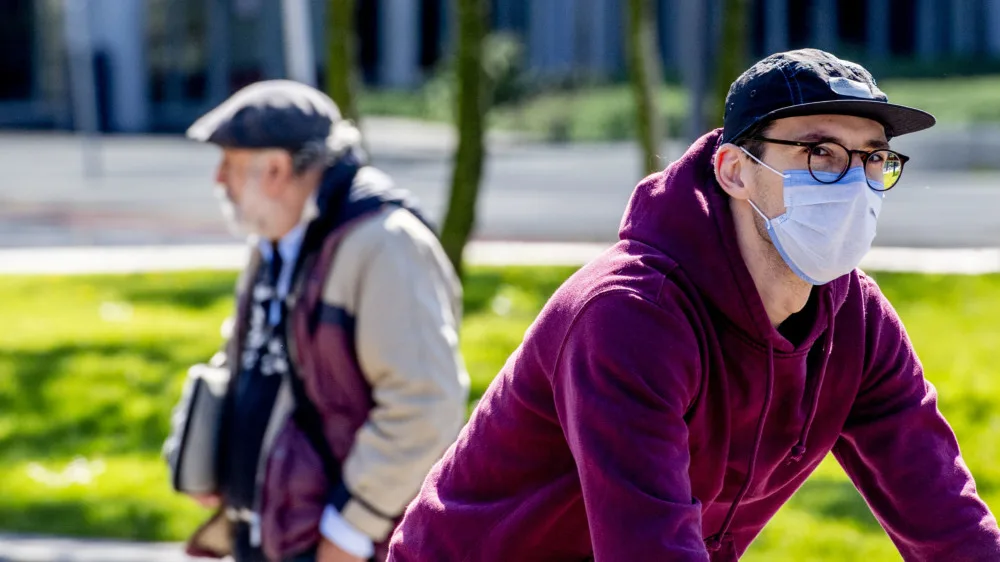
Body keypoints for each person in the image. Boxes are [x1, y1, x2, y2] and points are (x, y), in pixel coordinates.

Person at [387, 49, 1000, 561]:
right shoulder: (629, 316)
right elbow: (649, 548)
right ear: (734, 171)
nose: (853, 182)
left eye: (873, 157)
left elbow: (947, 518)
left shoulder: (856, 319)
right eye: (820, 153)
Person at [165, 80, 469, 562]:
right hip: (274, 535)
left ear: (276, 170)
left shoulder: (386, 245)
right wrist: (206, 451)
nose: (218, 180)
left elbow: (425, 403)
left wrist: (349, 532)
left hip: (338, 545)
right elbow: (253, 360)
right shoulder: (276, 241)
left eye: (229, 163)